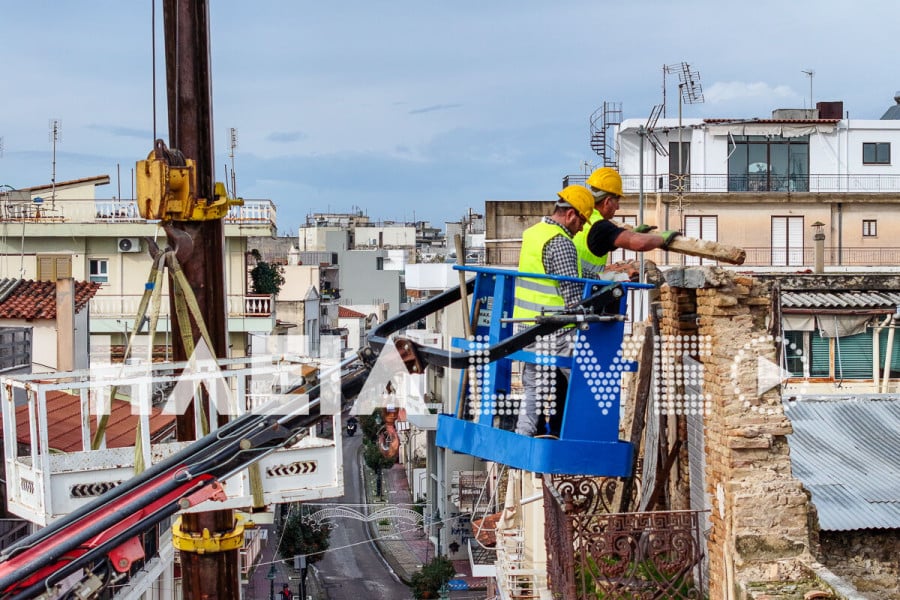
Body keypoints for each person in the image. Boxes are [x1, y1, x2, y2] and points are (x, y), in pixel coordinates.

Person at [512, 185, 594, 437]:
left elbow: (568, 272)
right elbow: (572, 297)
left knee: (533, 390)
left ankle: (523, 436)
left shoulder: (534, 233)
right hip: (555, 330)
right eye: (581, 221)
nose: (581, 228)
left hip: (527, 327)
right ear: (571, 215)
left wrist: (603, 276)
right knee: (586, 377)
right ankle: (583, 433)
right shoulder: (561, 242)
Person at [572, 167, 680, 273]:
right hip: (583, 288)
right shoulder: (600, 225)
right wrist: (662, 239)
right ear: (607, 201)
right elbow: (640, 243)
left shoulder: (582, 218)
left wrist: (630, 234)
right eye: (617, 201)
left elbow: (603, 241)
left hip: (571, 286)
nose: (618, 207)